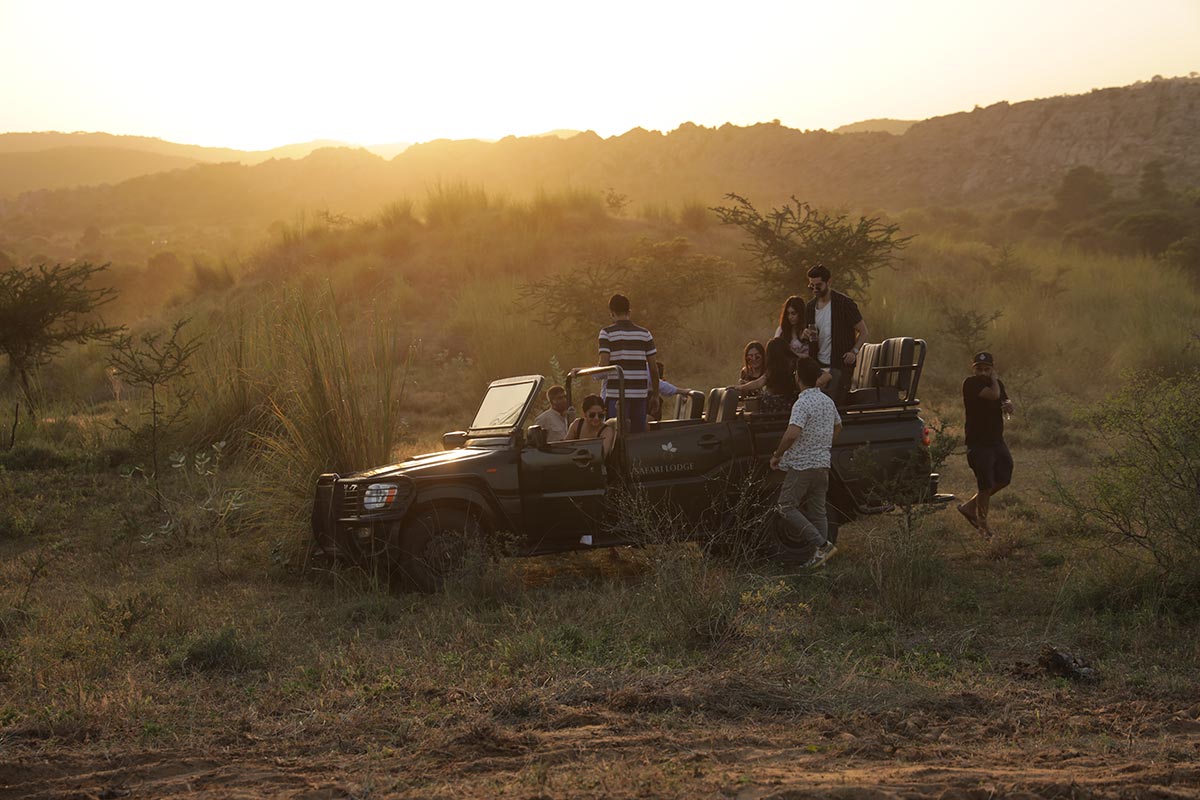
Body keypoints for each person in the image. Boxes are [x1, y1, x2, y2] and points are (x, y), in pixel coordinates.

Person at [769, 357, 843, 567]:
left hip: (803, 466)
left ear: (798, 377)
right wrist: (822, 445)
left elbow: (792, 433)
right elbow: (839, 427)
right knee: (818, 510)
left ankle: (822, 544)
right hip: (822, 464)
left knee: (785, 506)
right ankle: (821, 560)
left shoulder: (802, 403)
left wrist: (777, 455)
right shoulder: (827, 401)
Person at [957, 351, 1015, 537]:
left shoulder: (998, 384)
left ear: (992, 368)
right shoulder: (970, 384)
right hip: (979, 443)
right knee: (985, 485)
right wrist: (995, 379)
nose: (982, 372)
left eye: (986, 369)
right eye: (979, 369)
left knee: (1004, 478)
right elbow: (994, 395)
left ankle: (969, 506)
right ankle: (983, 526)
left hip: (997, 440)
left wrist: (1009, 405)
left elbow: (1004, 399)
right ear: (973, 369)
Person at [804, 264, 868, 406]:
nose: (815, 289)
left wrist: (854, 352)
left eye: (818, 285)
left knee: (831, 405)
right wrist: (806, 334)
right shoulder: (810, 307)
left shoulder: (844, 303)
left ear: (829, 282)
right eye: (811, 286)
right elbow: (811, 336)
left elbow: (863, 331)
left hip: (839, 365)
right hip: (818, 366)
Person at [598, 294, 658, 434]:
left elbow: (604, 365)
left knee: (616, 436)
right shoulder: (645, 334)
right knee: (638, 435)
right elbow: (654, 370)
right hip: (640, 395)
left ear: (611, 313)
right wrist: (655, 395)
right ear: (629, 312)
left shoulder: (606, 333)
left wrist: (587, 371)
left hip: (616, 395)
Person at [738, 337, 799, 414]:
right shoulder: (795, 364)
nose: (754, 359)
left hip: (773, 408)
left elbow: (758, 383)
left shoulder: (772, 369)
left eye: (757, 356)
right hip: (791, 405)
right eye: (750, 357)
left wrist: (740, 387)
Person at [774, 296, 811, 360]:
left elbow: (813, 355)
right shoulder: (781, 330)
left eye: (793, 313)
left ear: (801, 313)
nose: (790, 317)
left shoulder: (808, 330)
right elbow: (776, 351)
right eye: (788, 314)